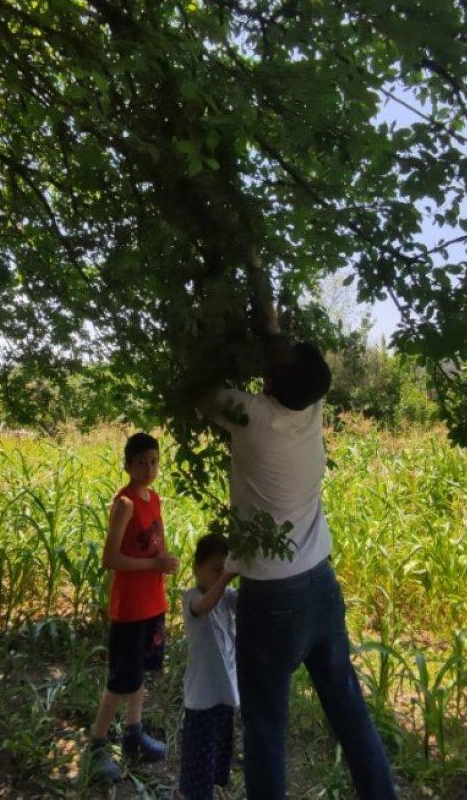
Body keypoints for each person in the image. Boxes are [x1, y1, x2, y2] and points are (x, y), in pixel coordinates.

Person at [200, 325, 395, 799]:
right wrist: (277, 355)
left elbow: (202, 393)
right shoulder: (310, 409)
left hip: (271, 600)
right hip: (320, 585)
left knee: (266, 730)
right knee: (349, 709)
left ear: (273, 382)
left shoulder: (252, 416)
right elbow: (296, 370)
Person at [85, 432, 179, 782]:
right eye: (141, 462)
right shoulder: (124, 503)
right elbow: (110, 558)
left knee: (140, 672)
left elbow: (155, 543)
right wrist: (154, 565)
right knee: (121, 679)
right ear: (127, 465)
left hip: (153, 602)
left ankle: (133, 734)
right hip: (130, 606)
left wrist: (164, 562)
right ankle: (96, 745)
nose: (148, 468)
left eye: (154, 461)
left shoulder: (154, 498)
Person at [179, 534, 239, 800]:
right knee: (198, 765)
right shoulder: (191, 598)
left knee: (214, 761)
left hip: (225, 695)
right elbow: (204, 606)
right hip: (202, 699)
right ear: (196, 569)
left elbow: (248, 602)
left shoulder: (227, 596)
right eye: (216, 570)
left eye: (224, 570)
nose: (221, 576)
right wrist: (227, 578)